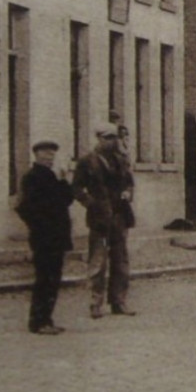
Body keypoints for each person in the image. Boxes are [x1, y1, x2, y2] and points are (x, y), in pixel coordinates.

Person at [72, 124, 136, 318]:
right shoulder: (87, 162)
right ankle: (95, 304)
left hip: (119, 216)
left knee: (121, 262)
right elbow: (76, 188)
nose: (111, 141)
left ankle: (119, 301)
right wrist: (90, 203)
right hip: (99, 218)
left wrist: (128, 193)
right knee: (98, 262)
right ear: (98, 139)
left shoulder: (122, 160)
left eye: (114, 138)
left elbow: (130, 183)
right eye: (107, 138)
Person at [15, 139, 75, 335]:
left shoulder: (53, 176)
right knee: (44, 279)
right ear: (37, 155)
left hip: (57, 235)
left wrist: (63, 179)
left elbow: (67, 199)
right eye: (46, 153)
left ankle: (47, 319)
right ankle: (38, 322)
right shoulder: (32, 177)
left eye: (52, 153)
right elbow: (24, 207)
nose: (50, 157)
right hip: (44, 236)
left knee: (53, 279)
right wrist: (40, 226)